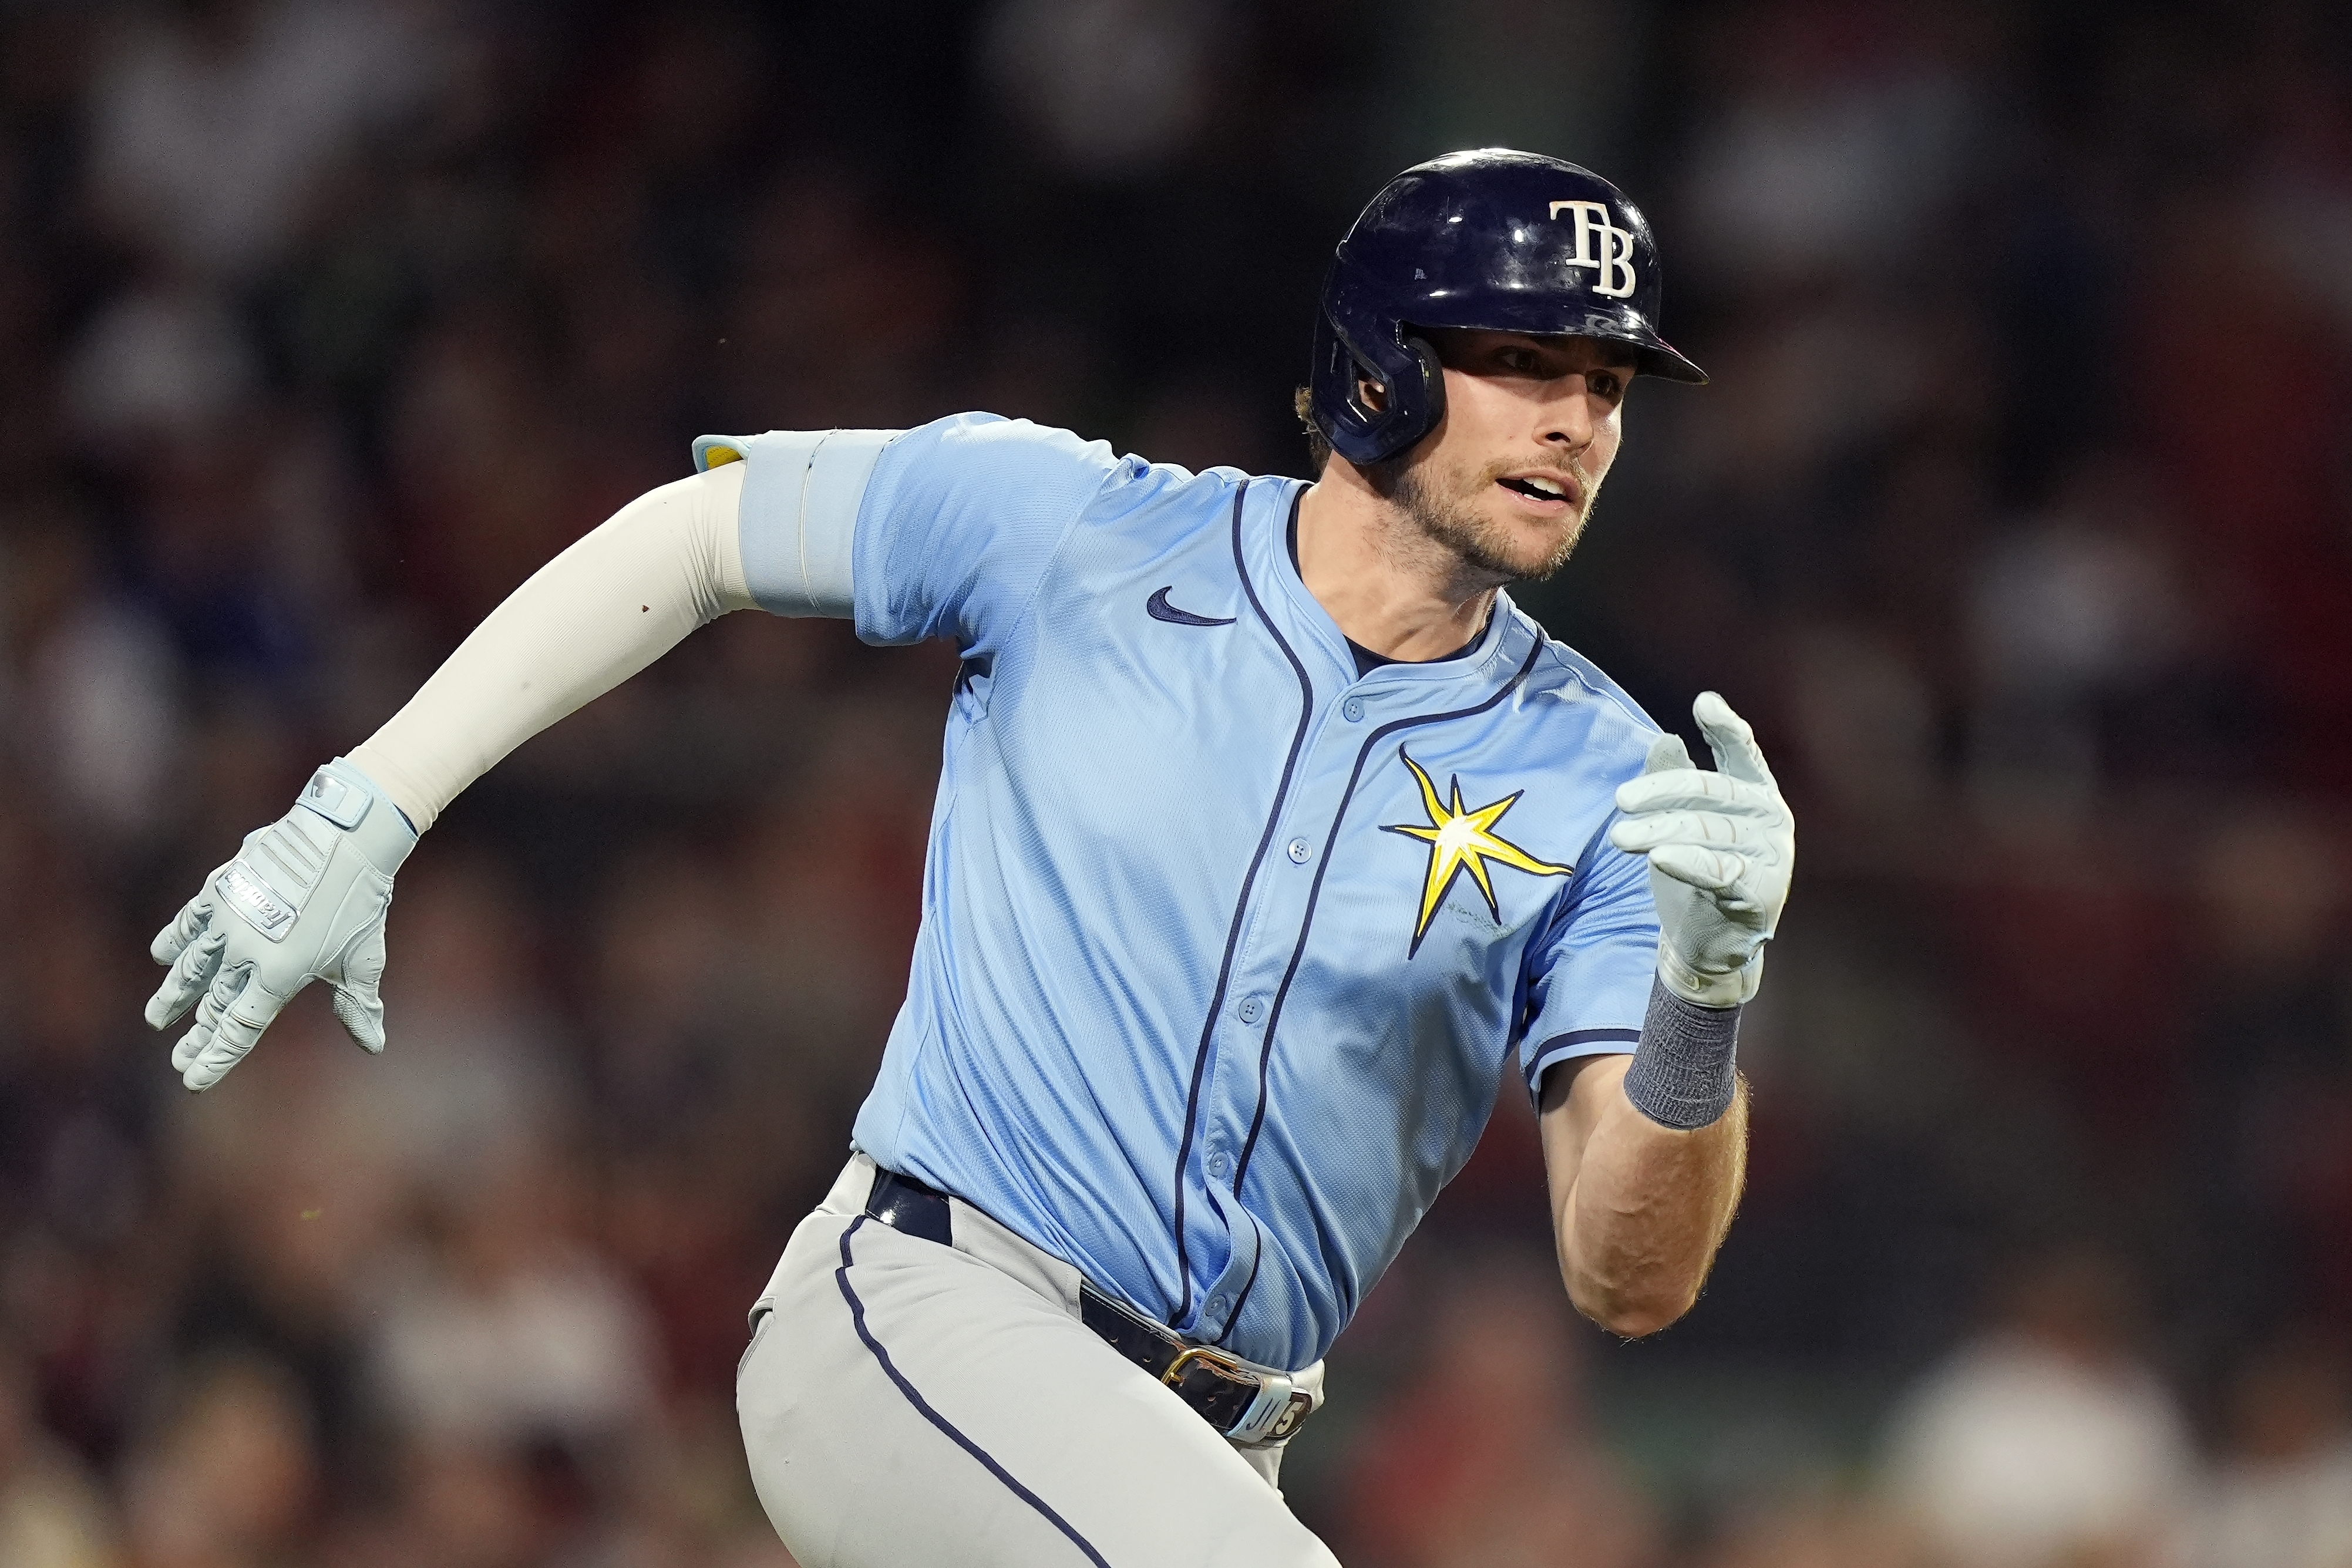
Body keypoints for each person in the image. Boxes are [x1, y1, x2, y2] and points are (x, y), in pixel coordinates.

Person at [143, 149, 1795, 1567]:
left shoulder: (1606, 776)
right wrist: (372, 797)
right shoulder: (1077, 528)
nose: (1580, 419)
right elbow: (700, 535)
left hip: (1210, 1458)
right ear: (1385, 367)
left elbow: (1626, 1274)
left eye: (1608, 384)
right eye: (1529, 360)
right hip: (929, 1315)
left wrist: (1704, 1002)